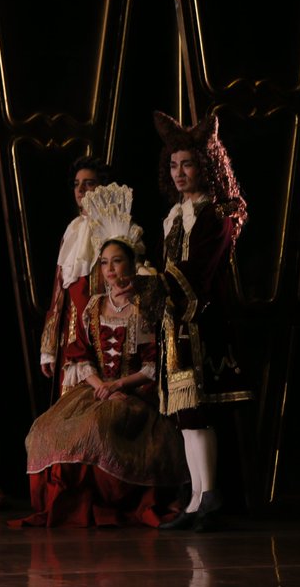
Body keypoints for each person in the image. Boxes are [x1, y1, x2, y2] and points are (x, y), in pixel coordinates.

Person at [17, 184, 187, 527]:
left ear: (131, 262)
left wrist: (117, 385)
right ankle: (72, 505)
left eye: (117, 261)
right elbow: (80, 355)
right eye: (104, 262)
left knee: (97, 425)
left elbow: (154, 363)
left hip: (134, 391)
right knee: (44, 429)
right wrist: (98, 384)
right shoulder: (94, 307)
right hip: (97, 389)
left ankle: (104, 503)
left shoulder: (143, 306)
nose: (110, 269)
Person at [153, 111, 251, 532]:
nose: (179, 172)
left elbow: (201, 272)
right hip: (176, 322)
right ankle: (196, 496)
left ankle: (210, 494)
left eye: (187, 164)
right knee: (184, 413)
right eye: (174, 165)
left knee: (199, 409)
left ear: (203, 167)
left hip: (202, 319)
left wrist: (157, 284)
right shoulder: (174, 216)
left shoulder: (215, 215)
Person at [39, 156, 111, 395]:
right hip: (71, 337)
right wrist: (48, 347)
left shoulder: (114, 228)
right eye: (77, 184)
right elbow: (58, 294)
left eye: (88, 183)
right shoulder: (71, 230)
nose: (80, 190)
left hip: (102, 334)